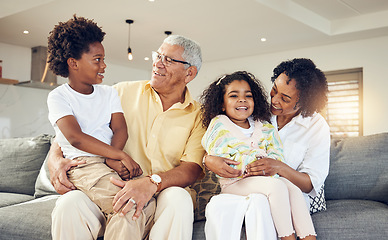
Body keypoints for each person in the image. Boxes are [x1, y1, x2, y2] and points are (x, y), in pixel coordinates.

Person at [47, 34, 205, 240]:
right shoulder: (120, 91)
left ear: (189, 73)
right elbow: (72, 133)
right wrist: (55, 160)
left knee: (179, 199)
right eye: (158, 55)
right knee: (68, 204)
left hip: (163, 188)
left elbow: (192, 168)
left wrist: (151, 183)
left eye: (169, 60)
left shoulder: (199, 115)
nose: (158, 63)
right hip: (114, 182)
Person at [46, 15, 148, 238]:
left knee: (142, 206)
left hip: (107, 162)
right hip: (84, 166)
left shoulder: (109, 92)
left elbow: (120, 129)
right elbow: (76, 138)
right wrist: (119, 155)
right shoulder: (59, 97)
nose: (104, 65)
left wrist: (113, 158)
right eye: (97, 59)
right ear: (74, 63)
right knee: (130, 204)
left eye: (104, 59)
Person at [204, 59, 330, 240]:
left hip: (281, 188)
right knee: (272, 191)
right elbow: (215, 145)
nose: (274, 100)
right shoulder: (254, 112)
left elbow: (310, 183)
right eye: (274, 90)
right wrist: (209, 160)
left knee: (290, 189)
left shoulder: (316, 126)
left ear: (304, 104)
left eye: (285, 99)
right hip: (244, 181)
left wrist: (277, 167)